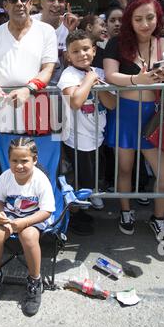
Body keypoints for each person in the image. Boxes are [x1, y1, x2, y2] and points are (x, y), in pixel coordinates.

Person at [103, 0, 164, 242]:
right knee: (125, 169)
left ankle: (158, 218)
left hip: (155, 117)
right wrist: (136, 80)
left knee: (163, 174)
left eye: (150, 17)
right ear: (130, 20)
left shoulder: (162, 43)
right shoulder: (116, 43)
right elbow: (110, 75)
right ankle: (125, 212)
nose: (144, 23)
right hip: (125, 115)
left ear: (157, 17)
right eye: (138, 18)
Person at [0, 137, 55, 316]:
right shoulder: (6, 177)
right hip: (11, 215)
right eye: (14, 161)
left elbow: (47, 210)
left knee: (28, 236)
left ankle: (34, 281)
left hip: (35, 216)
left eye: (24, 161)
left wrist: (24, 223)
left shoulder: (40, 180)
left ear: (35, 160)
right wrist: (1, 213)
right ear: (9, 160)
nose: (19, 165)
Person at [58, 30, 116, 235]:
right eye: (75, 51)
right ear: (68, 55)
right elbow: (75, 102)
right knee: (80, 179)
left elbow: (111, 103)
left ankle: (87, 201)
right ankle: (75, 216)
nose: (82, 54)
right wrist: (89, 81)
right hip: (77, 138)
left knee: (92, 175)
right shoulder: (69, 75)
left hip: (96, 135)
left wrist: (99, 85)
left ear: (93, 50)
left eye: (85, 49)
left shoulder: (99, 72)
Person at [0, 0, 57, 134]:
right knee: (7, 155)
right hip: (4, 109)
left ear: (30, 2)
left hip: (37, 105)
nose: (19, 3)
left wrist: (28, 89)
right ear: (5, 5)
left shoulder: (46, 31)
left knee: (38, 155)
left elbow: (48, 70)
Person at [31, 0, 69, 84]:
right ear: (42, 3)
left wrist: (72, 33)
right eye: (51, 0)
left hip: (59, 87)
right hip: (31, 85)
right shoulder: (30, 22)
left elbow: (71, 62)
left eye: (60, 1)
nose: (56, 4)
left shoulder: (69, 25)